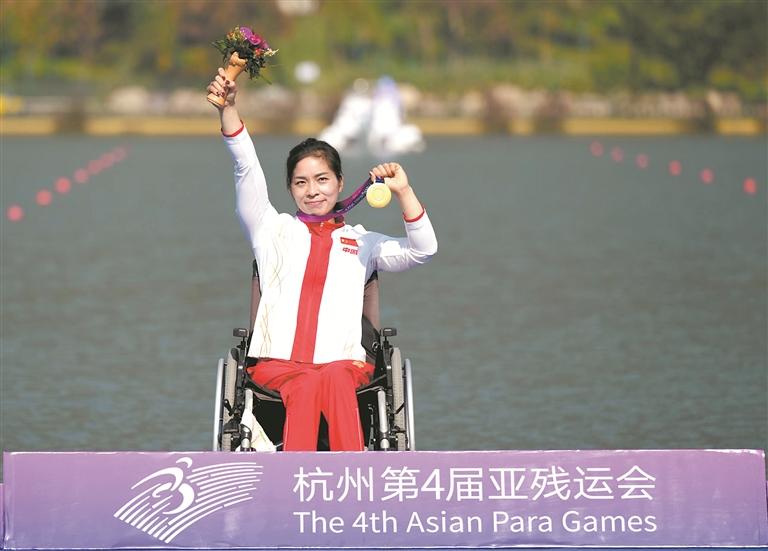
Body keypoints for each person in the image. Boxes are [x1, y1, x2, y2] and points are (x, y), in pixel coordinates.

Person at [207, 68, 437, 451]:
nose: (312, 191)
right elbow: (245, 165)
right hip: (277, 366)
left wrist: (404, 191)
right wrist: (227, 108)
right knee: (308, 382)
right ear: (289, 189)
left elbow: (423, 250)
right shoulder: (268, 229)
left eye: (322, 179)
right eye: (301, 182)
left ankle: (350, 475)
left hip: (345, 367)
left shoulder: (362, 242)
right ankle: (299, 476)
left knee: (331, 378)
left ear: (340, 182)